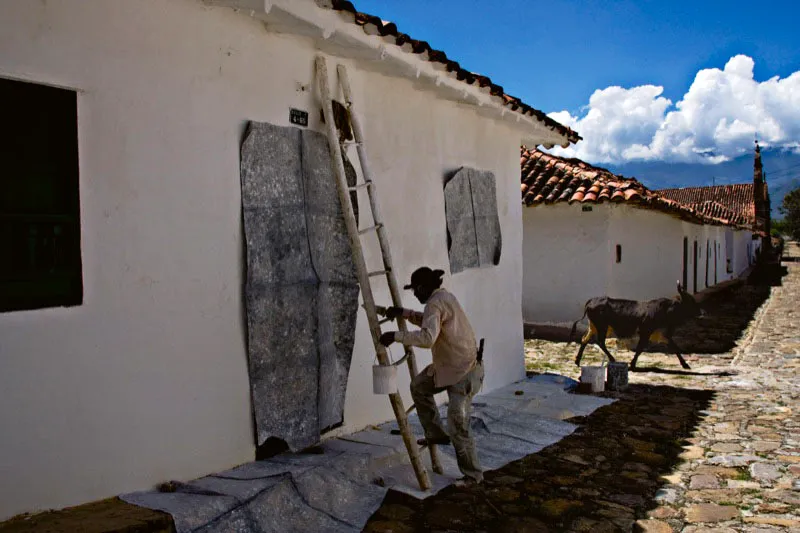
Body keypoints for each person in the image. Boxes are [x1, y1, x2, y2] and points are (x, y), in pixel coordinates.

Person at [378, 267, 484, 485]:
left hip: (464, 373)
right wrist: (404, 313)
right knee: (419, 387)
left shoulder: (435, 303)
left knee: (458, 425)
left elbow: (427, 338)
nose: (415, 294)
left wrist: (396, 336)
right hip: (450, 367)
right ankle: (436, 433)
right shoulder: (442, 298)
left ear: (424, 287)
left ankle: (473, 476)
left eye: (416, 290)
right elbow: (429, 321)